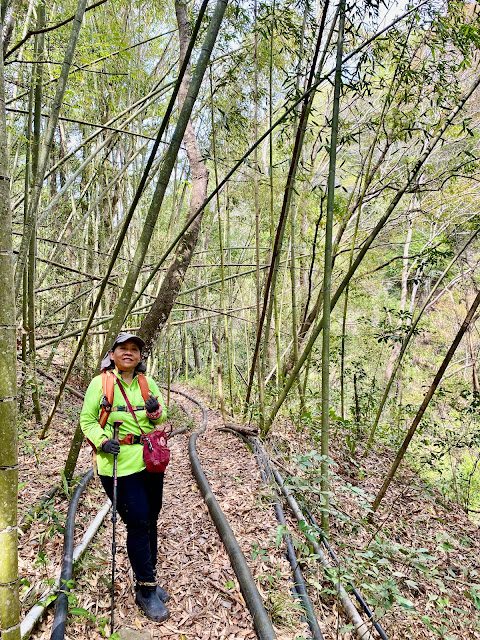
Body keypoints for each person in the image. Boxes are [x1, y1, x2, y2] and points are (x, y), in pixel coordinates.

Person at [80, 332, 170, 622]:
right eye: (123, 348)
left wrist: (156, 412)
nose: (129, 353)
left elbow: (161, 416)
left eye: (135, 349)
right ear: (113, 354)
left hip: (148, 461)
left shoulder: (146, 382)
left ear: (140, 357)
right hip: (116, 464)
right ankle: (145, 589)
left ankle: (150, 578)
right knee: (139, 521)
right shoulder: (101, 383)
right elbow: (87, 420)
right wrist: (103, 440)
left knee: (150, 517)